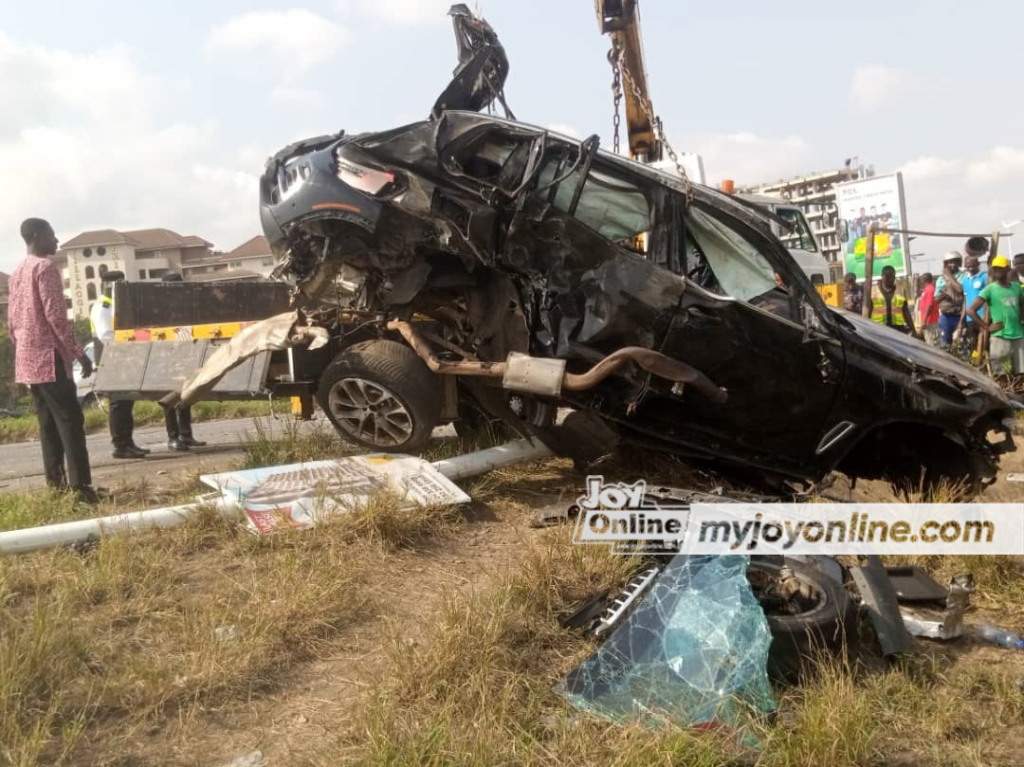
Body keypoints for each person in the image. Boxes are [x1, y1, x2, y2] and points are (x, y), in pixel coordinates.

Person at [7, 219, 99, 503]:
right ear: (37, 236)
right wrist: (79, 353)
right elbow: (56, 317)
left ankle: (56, 487)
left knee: (47, 425)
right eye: (51, 235)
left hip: (28, 361)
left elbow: (11, 322)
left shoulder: (17, 271)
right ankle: (82, 490)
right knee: (70, 421)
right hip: (49, 358)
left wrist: (23, 350)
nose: (57, 241)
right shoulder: (45, 268)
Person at [91, 273, 149, 459]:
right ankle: (120, 446)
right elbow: (106, 335)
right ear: (111, 285)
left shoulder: (116, 305)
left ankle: (128, 442)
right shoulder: (103, 306)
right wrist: (132, 341)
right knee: (118, 404)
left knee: (126, 404)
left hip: (122, 359)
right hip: (112, 360)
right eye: (121, 284)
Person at [159, 272, 207, 451]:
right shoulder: (161, 307)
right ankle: (173, 437)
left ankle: (186, 435)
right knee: (170, 398)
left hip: (186, 353)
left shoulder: (185, 305)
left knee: (185, 395)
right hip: (168, 356)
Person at [968, 256, 1024, 375]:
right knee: (1001, 373)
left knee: (1021, 373)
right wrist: (987, 327)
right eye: (995, 269)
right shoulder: (990, 289)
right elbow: (971, 310)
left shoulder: (1016, 287)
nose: (997, 271)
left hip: (1018, 335)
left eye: (1000, 268)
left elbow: (1022, 306)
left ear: (1007, 269)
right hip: (1000, 336)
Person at [934, 252, 967, 347]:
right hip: (946, 316)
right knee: (945, 345)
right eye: (949, 262)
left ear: (959, 263)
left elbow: (960, 290)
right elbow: (936, 300)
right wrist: (944, 296)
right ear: (945, 264)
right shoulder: (940, 279)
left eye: (955, 262)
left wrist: (949, 276)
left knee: (962, 344)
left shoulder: (964, 275)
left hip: (960, 315)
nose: (952, 265)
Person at [870, 265, 915, 334]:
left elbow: (906, 311)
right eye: (887, 276)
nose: (890, 279)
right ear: (882, 276)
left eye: (892, 276)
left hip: (898, 329)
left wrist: (913, 330)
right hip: (878, 328)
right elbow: (868, 311)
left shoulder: (901, 290)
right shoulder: (872, 291)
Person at [958, 253, 988, 353]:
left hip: (983, 317)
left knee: (985, 343)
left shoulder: (985, 277)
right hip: (970, 318)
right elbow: (965, 300)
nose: (970, 268)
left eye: (972, 266)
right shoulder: (965, 280)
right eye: (968, 266)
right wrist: (962, 320)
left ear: (978, 264)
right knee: (974, 345)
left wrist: (987, 315)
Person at [918, 272, 940, 346]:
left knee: (932, 343)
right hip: (927, 321)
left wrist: (924, 321)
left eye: (921, 280)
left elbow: (929, 306)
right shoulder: (926, 290)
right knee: (928, 341)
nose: (920, 282)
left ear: (924, 280)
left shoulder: (930, 289)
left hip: (931, 321)